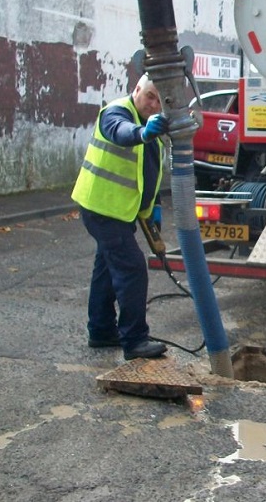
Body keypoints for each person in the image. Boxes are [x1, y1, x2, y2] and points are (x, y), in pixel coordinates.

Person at [71, 73, 169, 360]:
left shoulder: (150, 126)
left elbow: (147, 170)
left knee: (106, 268)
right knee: (132, 268)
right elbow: (121, 133)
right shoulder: (116, 113)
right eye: (150, 96)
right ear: (136, 89)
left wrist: (154, 208)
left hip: (118, 210)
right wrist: (143, 133)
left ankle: (101, 331)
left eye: (160, 101)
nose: (153, 104)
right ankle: (135, 340)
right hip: (102, 209)